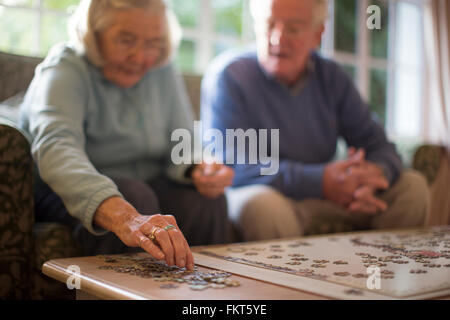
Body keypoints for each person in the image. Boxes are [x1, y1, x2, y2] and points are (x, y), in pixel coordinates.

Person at [19, 0, 234, 270]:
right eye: (126, 40)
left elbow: (184, 140)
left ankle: (208, 292)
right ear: (94, 35)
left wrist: (200, 167)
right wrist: (124, 215)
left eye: (153, 43)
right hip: (71, 193)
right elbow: (57, 150)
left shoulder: (161, 68)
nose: (141, 57)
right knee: (134, 195)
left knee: (205, 200)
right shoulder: (65, 68)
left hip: (141, 185)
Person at [201, 0, 429, 241]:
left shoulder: (332, 77)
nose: (277, 38)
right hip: (268, 195)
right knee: (264, 208)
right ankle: (287, 281)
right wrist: (319, 181)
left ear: (318, 34)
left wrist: (371, 177)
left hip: (333, 198)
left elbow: (378, 145)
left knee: (412, 188)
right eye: (269, 25)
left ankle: (379, 276)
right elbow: (232, 164)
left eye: (293, 28)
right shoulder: (229, 76)